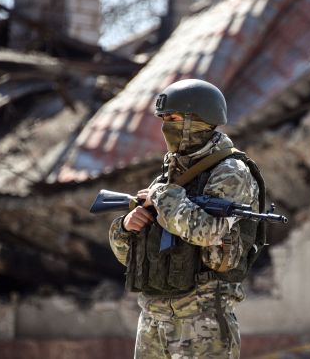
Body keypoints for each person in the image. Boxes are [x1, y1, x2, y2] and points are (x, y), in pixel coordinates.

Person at [108, 79, 265, 359]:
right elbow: (132, 256)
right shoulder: (168, 178)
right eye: (164, 119)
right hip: (154, 317)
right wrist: (125, 228)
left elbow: (207, 233)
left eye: (175, 118)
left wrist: (162, 197)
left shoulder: (231, 172)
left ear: (201, 121)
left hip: (201, 319)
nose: (166, 126)